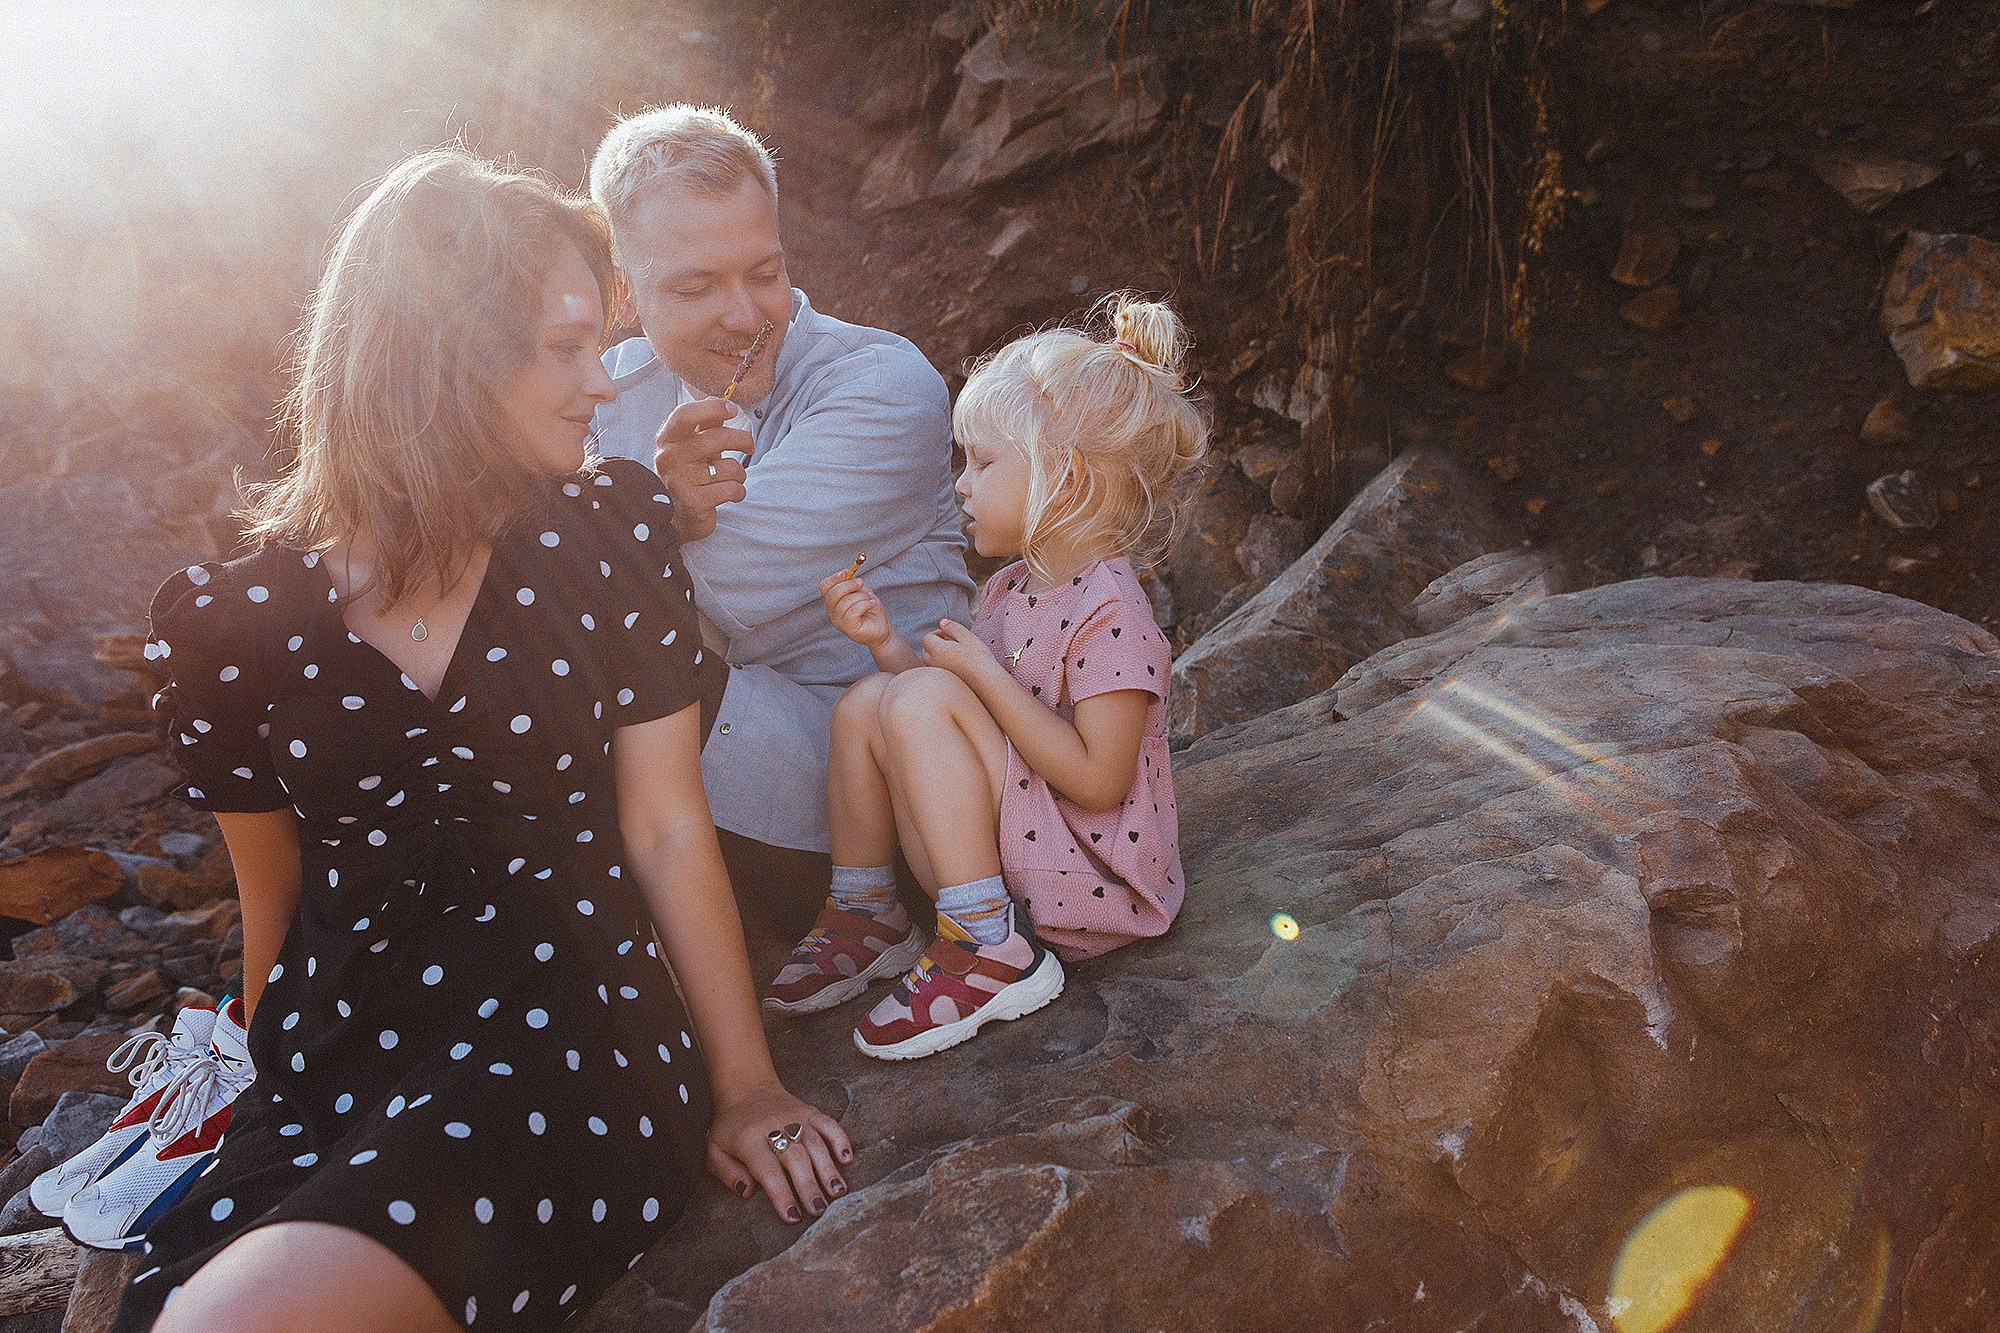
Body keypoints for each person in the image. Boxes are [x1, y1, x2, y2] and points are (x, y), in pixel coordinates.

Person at [115, 149, 846, 1333]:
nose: (602, 385)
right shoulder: (227, 623)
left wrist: (746, 1082)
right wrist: (269, 1105)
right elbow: (277, 903)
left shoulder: (607, 534)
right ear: (441, 357)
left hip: (565, 1035)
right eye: (565, 349)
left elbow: (662, 828)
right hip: (333, 1064)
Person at [766, 294, 1208, 1060]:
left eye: (983, 461)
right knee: (867, 701)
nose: (961, 484)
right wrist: (885, 647)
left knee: (920, 691)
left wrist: (973, 673)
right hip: (1018, 853)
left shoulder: (1113, 617)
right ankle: (871, 915)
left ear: (1063, 478)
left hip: (1086, 886)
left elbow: (1100, 781)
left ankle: (987, 950)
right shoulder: (1012, 588)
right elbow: (943, 714)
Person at [586, 105, 975, 936]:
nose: (746, 314)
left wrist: (640, 520)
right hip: (691, 777)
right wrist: (654, 516)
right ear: (625, 292)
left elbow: (669, 596)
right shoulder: (603, 396)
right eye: (695, 287)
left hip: (895, 804)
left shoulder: (885, 389)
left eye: (765, 273)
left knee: (610, 658)